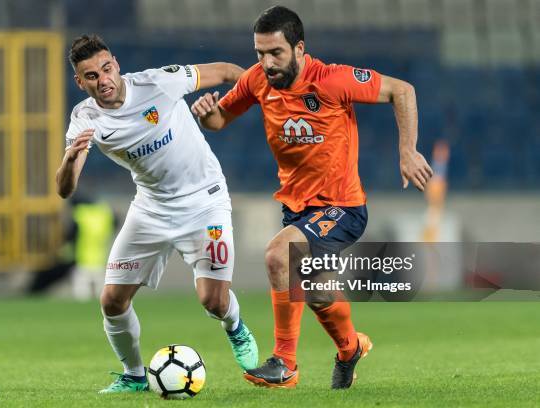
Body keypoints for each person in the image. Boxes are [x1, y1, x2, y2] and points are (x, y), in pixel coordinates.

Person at [191, 6, 433, 389]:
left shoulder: (333, 79)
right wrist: (207, 115)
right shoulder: (257, 81)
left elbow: (402, 90)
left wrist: (408, 150)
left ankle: (284, 363)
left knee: (278, 255)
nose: (266, 63)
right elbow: (221, 120)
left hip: (343, 207)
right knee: (318, 292)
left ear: (299, 48)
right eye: (259, 54)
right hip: (297, 210)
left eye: (276, 54)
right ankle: (350, 348)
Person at [56, 34, 258, 393]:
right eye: (91, 76)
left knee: (213, 301)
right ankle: (134, 376)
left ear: (116, 64)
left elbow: (228, 71)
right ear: (80, 82)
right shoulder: (85, 118)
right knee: (112, 301)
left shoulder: (159, 82)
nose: (102, 80)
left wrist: (259, 102)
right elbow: (65, 189)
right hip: (151, 208)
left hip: (204, 201)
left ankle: (236, 329)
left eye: (105, 69)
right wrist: (71, 160)